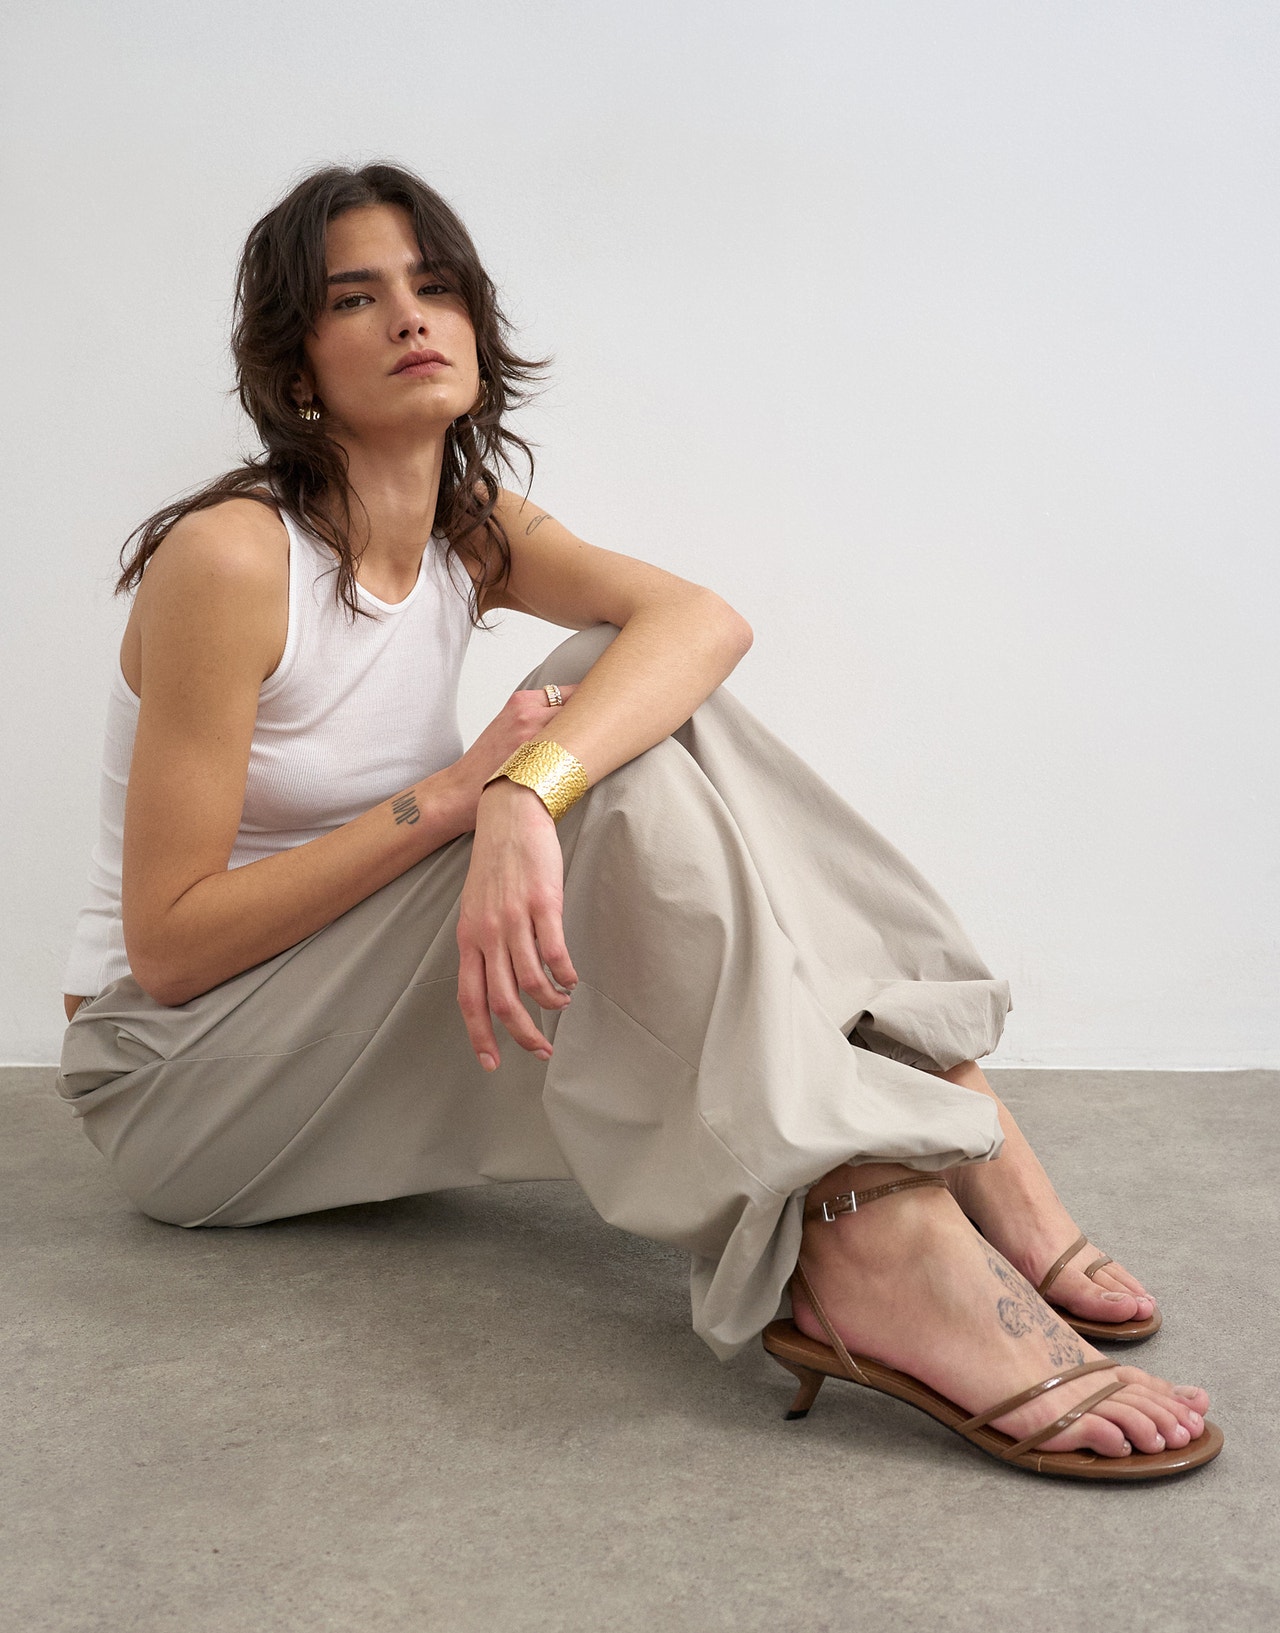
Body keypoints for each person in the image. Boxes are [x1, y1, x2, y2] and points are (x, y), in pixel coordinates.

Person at [58, 162, 1219, 1481]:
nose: (411, 316)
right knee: (607, 738)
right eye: (356, 298)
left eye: (435, 286)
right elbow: (170, 950)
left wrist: (521, 789)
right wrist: (457, 796)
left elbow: (701, 623)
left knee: (621, 692)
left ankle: (930, 1105)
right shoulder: (232, 557)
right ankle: (884, 1216)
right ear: (296, 365)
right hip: (184, 1080)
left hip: (334, 1025)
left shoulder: (466, 529)